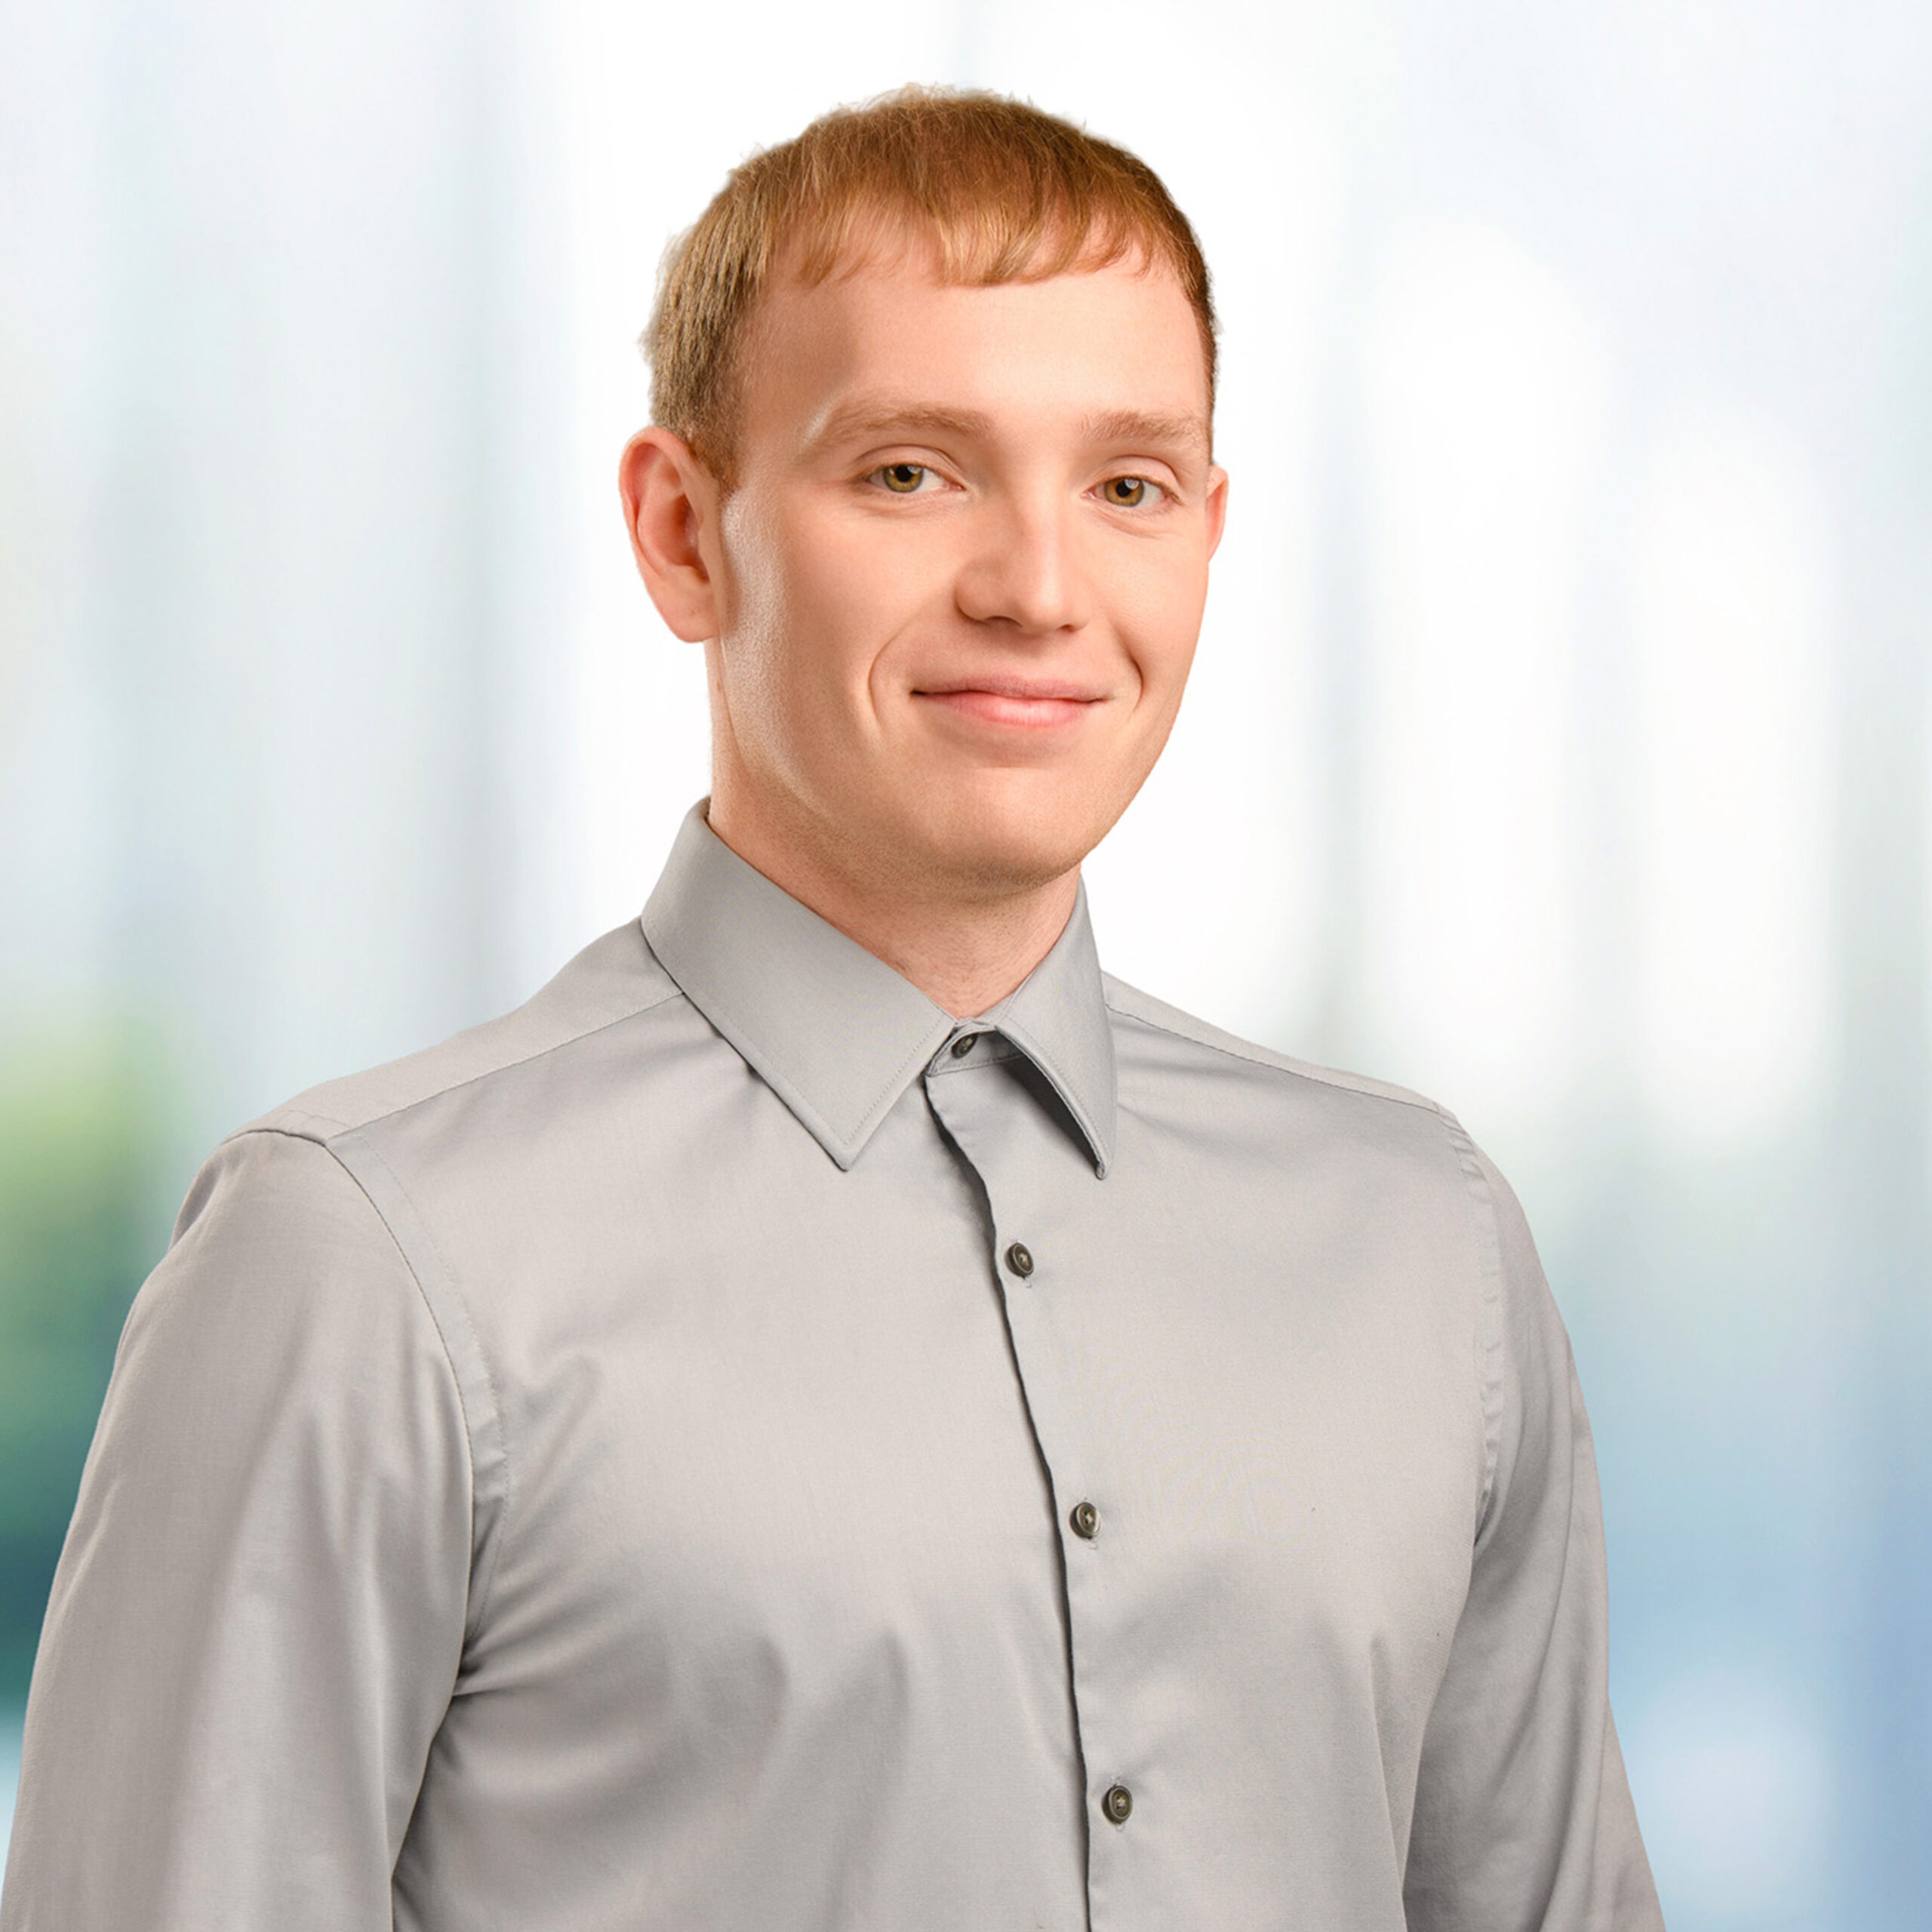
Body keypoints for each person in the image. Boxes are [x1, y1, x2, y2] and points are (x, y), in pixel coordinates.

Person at [1, 88, 1663, 1930]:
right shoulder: (364, 1256)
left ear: (1204, 532)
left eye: (1123, 484)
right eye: (908, 470)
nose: (1037, 588)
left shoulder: (1420, 1242)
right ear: (683, 532)